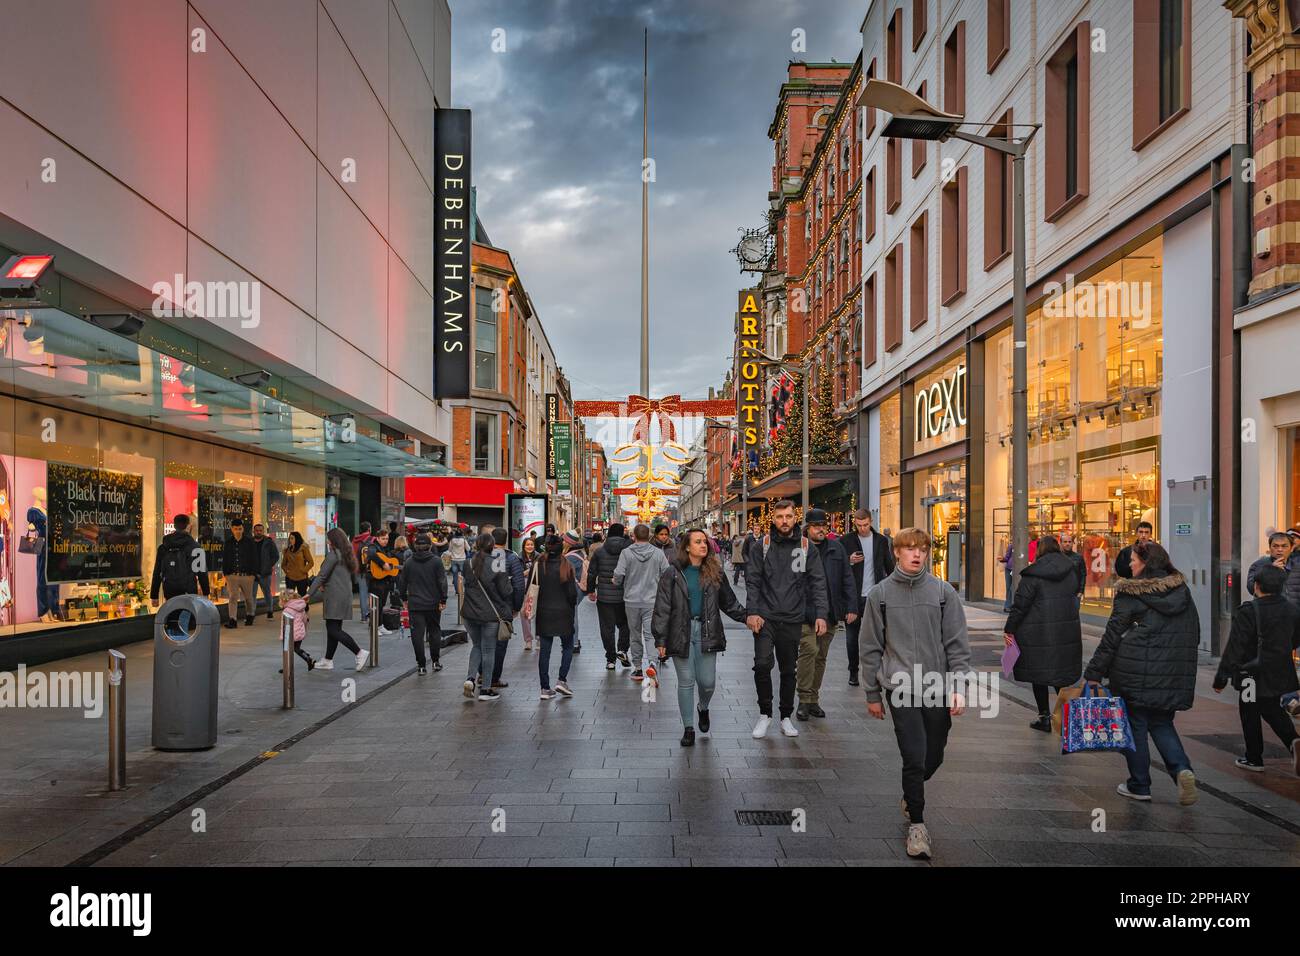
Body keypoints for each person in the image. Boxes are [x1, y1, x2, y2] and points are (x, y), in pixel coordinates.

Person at [861, 528, 973, 861]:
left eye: (922, 549)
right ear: (896, 552)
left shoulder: (942, 593)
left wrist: (959, 687)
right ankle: (918, 826)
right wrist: (872, 692)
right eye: (909, 549)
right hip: (900, 688)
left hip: (936, 686)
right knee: (913, 755)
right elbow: (869, 648)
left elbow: (957, 645)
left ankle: (912, 794)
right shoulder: (879, 595)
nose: (916, 555)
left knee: (933, 755)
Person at [1084, 541, 1200, 805]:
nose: (1131, 564)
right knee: (1161, 722)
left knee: (1134, 724)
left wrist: (1094, 672)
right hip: (1170, 671)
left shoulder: (1130, 593)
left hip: (1133, 670)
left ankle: (1140, 784)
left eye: (1135, 559)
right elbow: (1194, 632)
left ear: (1146, 563)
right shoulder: (1181, 590)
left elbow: (1112, 636)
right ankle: (1181, 768)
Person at [653, 528, 748, 747]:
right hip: (680, 631)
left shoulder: (714, 571)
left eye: (705, 542)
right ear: (687, 547)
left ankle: (703, 707)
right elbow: (662, 607)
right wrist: (660, 640)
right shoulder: (673, 573)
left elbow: (729, 602)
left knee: (707, 682)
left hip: (707, 631)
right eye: (698, 542)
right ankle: (688, 728)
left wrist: (747, 617)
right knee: (686, 682)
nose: (704, 545)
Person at [743, 500, 828, 739]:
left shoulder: (805, 546)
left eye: (789, 516)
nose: (784, 521)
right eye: (780, 517)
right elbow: (753, 581)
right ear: (774, 519)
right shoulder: (763, 546)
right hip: (765, 618)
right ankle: (764, 714)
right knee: (762, 664)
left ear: (795, 518)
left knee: (788, 669)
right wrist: (752, 612)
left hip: (793, 617)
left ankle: (785, 716)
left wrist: (821, 614)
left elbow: (818, 582)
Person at [1213, 566, 1300, 775]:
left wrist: (1221, 677)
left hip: (1252, 673)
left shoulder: (1249, 610)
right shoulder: (1292, 609)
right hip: (1280, 670)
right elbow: (1296, 638)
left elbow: (1236, 646)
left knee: (1249, 710)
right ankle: (1294, 740)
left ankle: (1254, 757)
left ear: (1256, 586)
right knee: (1271, 707)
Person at [1002, 536, 1083, 732]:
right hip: (1065, 631)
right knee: (1060, 676)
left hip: (1037, 632)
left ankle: (1045, 717)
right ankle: (1066, 718)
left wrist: (1009, 629)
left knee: (1038, 675)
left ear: (1039, 551)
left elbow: (1020, 605)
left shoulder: (1033, 575)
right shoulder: (1070, 571)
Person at [796, 508, 857, 721]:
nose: (821, 529)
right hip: (804, 612)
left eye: (824, 525)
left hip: (830, 611)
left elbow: (847, 579)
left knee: (821, 656)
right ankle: (803, 699)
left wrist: (851, 606)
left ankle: (813, 699)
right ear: (807, 528)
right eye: (816, 526)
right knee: (809, 651)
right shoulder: (799, 549)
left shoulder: (836, 549)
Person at [843, 509, 895, 688]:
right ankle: (853, 672)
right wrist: (849, 560)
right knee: (852, 637)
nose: (863, 528)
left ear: (871, 521)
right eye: (859, 525)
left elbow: (890, 567)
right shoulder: (847, 540)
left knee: (878, 637)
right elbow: (839, 567)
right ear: (854, 523)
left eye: (865, 525)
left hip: (875, 597)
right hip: (854, 598)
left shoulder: (881, 540)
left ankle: (876, 672)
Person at [613, 523, 671, 680]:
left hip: (631, 600)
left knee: (635, 634)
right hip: (652, 600)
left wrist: (616, 581)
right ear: (649, 535)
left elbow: (618, 574)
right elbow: (667, 573)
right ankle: (652, 663)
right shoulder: (658, 553)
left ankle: (638, 668)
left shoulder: (626, 553)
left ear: (634, 536)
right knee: (651, 633)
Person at [306, 527, 369, 670]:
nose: (327, 541)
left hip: (334, 596)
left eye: (329, 539)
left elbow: (322, 575)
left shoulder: (334, 554)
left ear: (334, 540)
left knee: (334, 630)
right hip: (343, 595)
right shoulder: (346, 554)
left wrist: (308, 594)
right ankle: (328, 660)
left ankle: (359, 652)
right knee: (333, 628)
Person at [460, 532, 512, 702]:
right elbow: (505, 591)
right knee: (488, 650)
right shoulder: (497, 562)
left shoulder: (468, 562)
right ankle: (486, 689)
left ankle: (470, 679)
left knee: (476, 646)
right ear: (492, 546)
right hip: (490, 614)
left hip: (469, 613)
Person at [395, 532, 447, 675]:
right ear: (430, 546)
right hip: (433, 603)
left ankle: (421, 665)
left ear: (415, 546)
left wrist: (404, 598)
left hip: (415, 604)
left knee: (417, 635)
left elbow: (402, 582)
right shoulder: (436, 561)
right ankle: (435, 662)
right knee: (434, 631)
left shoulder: (409, 562)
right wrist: (443, 599)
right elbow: (442, 582)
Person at [535, 534, 579, 699]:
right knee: (567, 647)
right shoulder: (566, 565)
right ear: (562, 549)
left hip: (543, 612)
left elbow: (531, 587)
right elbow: (572, 594)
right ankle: (561, 679)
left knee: (544, 651)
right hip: (563, 613)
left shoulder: (539, 564)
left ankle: (544, 688)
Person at [481, 526, 526, 689]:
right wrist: (516, 606)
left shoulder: (482, 556)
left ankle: (481, 673)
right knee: (500, 642)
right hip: (502, 606)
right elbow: (519, 585)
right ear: (506, 540)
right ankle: (492, 677)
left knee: (483, 641)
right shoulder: (509, 558)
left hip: (482, 606)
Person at [587, 523, 634, 670]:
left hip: (605, 597)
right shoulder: (629, 551)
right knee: (625, 625)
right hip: (625, 596)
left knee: (607, 628)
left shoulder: (600, 552)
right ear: (622, 534)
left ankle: (611, 659)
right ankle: (622, 650)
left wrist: (590, 590)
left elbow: (591, 572)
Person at [150, 514, 211, 604]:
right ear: (188, 526)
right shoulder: (195, 547)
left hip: (169, 589)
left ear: (174, 526)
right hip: (189, 589)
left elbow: (157, 571)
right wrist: (206, 592)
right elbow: (202, 572)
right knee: (188, 614)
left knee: (172, 613)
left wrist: (154, 595)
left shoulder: (163, 547)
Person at [221, 518, 259, 628]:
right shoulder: (228, 542)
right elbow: (225, 558)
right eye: (236, 529)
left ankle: (250, 615)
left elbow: (254, 558)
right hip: (232, 576)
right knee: (232, 597)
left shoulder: (249, 542)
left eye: (240, 528)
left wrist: (253, 574)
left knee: (248, 598)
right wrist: (226, 574)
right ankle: (233, 619)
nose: (238, 531)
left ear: (243, 529)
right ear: (232, 529)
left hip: (247, 576)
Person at [363, 530, 401, 634]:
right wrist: (383, 564)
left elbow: (391, 564)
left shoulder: (386, 549)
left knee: (382, 604)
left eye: (387, 539)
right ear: (378, 538)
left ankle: (380, 625)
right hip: (375, 581)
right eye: (383, 539)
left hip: (384, 580)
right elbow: (371, 554)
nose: (385, 541)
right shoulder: (372, 546)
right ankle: (373, 627)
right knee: (376, 605)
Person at [563, 529, 590, 653]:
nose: (562, 542)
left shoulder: (570, 557)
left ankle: (573, 643)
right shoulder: (580, 553)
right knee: (572, 615)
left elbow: (566, 576)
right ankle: (574, 641)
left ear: (568, 543)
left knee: (572, 616)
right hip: (580, 588)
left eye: (564, 540)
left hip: (574, 588)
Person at [251, 523, 280, 619]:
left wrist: (268, 566)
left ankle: (270, 611)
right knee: (252, 595)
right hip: (252, 573)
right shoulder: (249, 542)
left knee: (267, 593)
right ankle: (251, 613)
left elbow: (276, 556)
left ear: (263, 531)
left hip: (265, 573)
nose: (258, 532)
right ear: (253, 531)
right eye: (257, 530)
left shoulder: (268, 542)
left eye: (260, 530)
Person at [279, 531, 314, 597]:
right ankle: (291, 607)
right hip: (290, 578)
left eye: (292, 538)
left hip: (302, 578)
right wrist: (287, 571)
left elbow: (311, 562)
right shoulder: (287, 550)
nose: (290, 540)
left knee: (303, 597)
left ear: (297, 539)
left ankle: (304, 607)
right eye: (289, 538)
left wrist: (303, 570)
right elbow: (283, 564)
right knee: (289, 598)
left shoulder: (303, 548)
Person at [352, 522, 374, 622]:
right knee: (373, 592)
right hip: (370, 569)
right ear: (369, 529)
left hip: (359, 569)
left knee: (362, 592)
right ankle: (373, 614)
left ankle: (363, 616)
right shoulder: (372, 539)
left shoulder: (354, 540)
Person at [520, 536, 539, 651]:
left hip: (536, 587)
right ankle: (528, 640)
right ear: (524, 546)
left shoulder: (538, 557)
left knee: (537, 613)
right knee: (524, 613)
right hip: (523, 589)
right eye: (527, 544)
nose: (530, 547)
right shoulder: (518, 557)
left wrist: (527, 572)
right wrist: (528, 571)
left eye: (531, 544)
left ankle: (539, 638)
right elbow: (518, 573)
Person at [1060, 532, 1087, 607]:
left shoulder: (1079, 557)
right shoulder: (1057, 557)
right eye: (1065, 542)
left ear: (1073, 543)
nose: (1067, 544)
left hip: (1075, 593)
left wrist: (1081, 591)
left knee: (1074, 615)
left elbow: (1083, 575)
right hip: (1060, 593)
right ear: (1061, 543)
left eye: (1069, 542)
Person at [445, 529, 469, 599]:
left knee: (455, 576)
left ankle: (457, 591)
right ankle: (462, 590)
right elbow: (468, 549)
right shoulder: (464, 540)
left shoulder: (452, 540)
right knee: (463, 575)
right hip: (462, 559)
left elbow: (449, 550)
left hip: (454, 559)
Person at [996, 540, 1014, 613]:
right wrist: (1002, 559)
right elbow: (1007, 558)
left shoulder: (1025, 546)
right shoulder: (1011, 546)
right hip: (1009, 569)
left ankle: (1008, 605)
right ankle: (1007, 606)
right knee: (1008, 587)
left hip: (1017, 569)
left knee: (1012, 588)